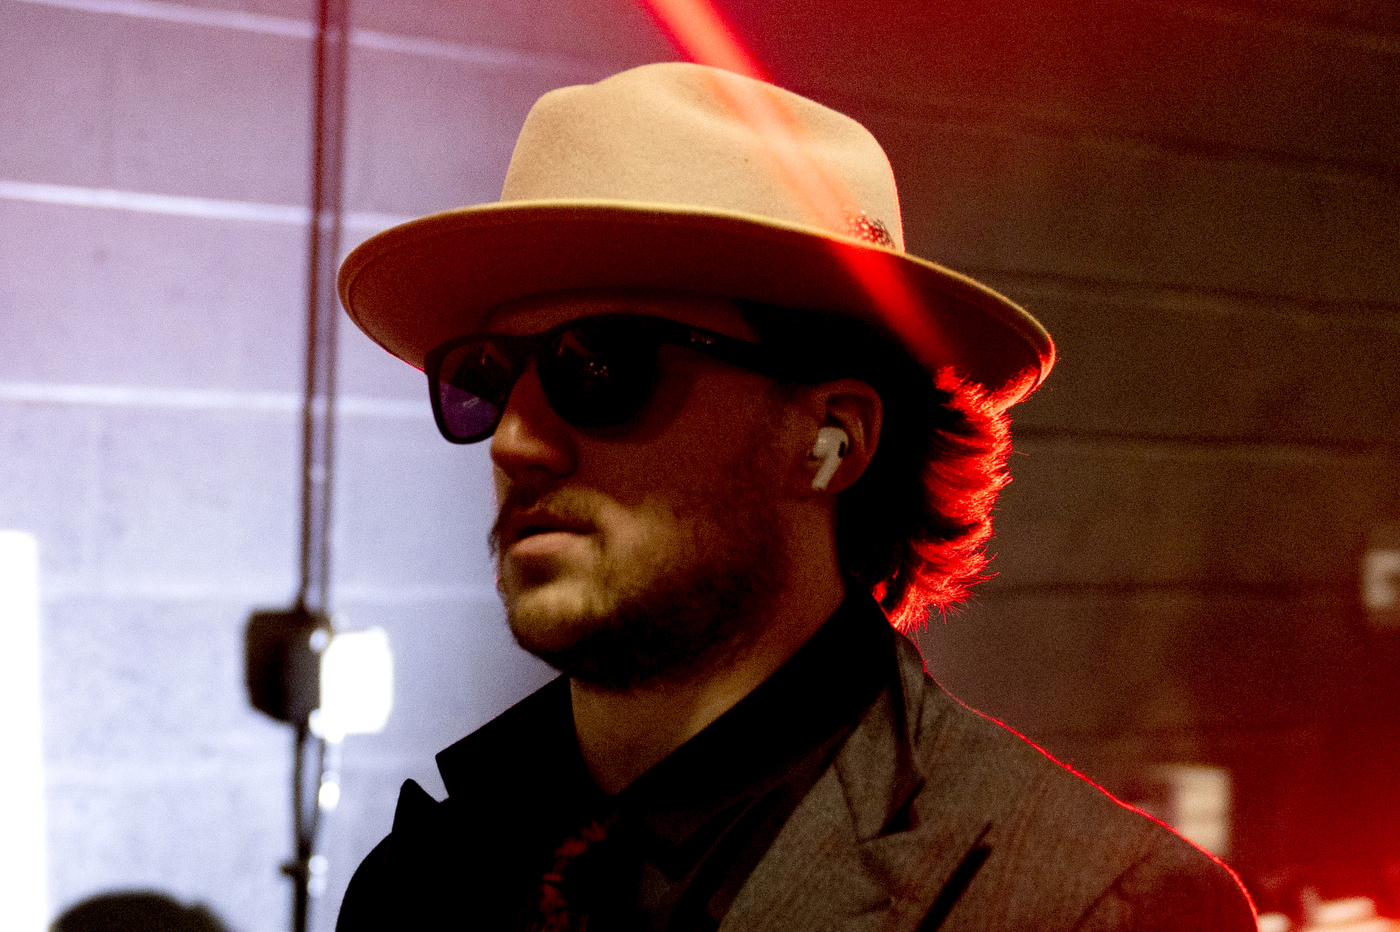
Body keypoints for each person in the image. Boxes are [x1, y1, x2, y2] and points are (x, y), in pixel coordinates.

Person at [334, 62, 1256, 931]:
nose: (514, 439)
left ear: (835, 439)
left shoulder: (1092, 909)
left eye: (601, 366)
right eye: (487, 377)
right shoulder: (419, 880)